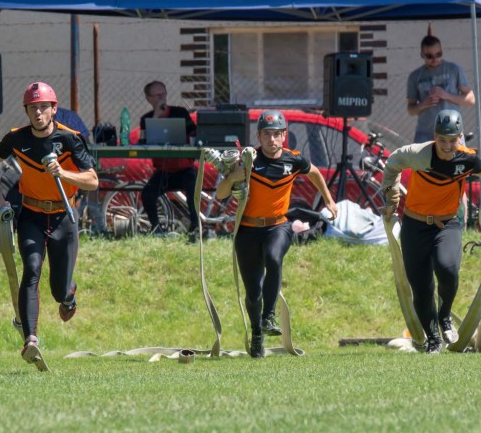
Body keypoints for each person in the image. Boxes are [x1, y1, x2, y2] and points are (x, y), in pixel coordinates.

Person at [381, 109, 481, 354]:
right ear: (435, 136)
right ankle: (433, 340)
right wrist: (392, 197)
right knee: (421, 288)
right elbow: (392, 164)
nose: (446, 146)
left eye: (452, 140)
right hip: (414, 225)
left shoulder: (466, 158)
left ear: (460, 137)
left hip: (447, 224)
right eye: (441, 139)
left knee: (448, 268)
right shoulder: (418, 154)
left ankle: (445, 316)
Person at [0, 82, 98, 370]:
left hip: (64, 216)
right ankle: (30, 340)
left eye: (43, 107)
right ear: (26, 110)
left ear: (54, 109)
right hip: (31, 215)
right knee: (31, 269)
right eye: (33, 108)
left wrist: (64, 173)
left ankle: (69, 295)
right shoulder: (16, 137)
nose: (38, 113)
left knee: (59, 290)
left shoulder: (70, 139)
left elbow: (93, 181)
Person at [216, 110, 338, 358]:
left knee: (273, 258)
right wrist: (233, 177)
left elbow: (314, 172)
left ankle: (269, 317)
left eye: (276, 134)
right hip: (247, 229)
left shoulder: (294, 160)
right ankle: (257, 334)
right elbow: (220, 194)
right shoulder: (247, 160)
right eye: (266, 135)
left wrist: (329, 200)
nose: (271, 140)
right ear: (259, 136)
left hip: (278, 226)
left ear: (284, 135)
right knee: (253, 294)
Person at [137, 80, 199, 237]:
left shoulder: (180, 112)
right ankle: (157, 229)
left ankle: (195, 228)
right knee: (147, 194)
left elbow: (194, 132)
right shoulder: (146, 119)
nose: (161, 98)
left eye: (163, 94)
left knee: (193, 193)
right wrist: (156, 116)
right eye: (157, 95)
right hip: (163, 171)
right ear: (149, 98)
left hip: (185, 169)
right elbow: (144, 142)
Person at [406, 31, 475, 144]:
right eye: (430, 56)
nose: (435, 59)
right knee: (422, 156)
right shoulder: (415, 76)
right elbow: (411, 110)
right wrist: (424, 104)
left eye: (439, 54)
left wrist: (446, 95)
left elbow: (471, 99)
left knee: (455, 156)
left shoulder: (453, 69)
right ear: (422, 55)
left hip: (451, 132)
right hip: (425, 133)